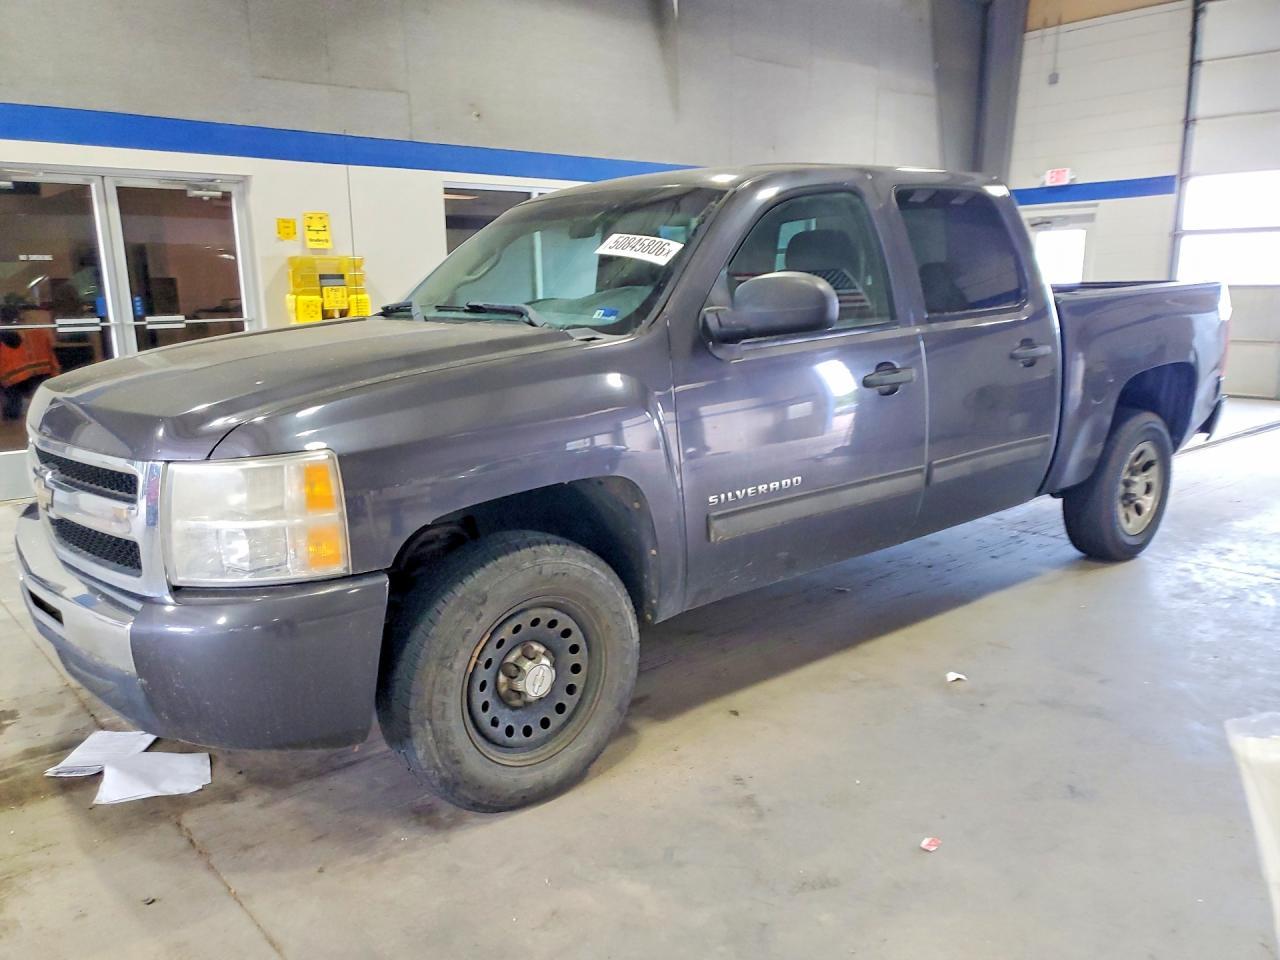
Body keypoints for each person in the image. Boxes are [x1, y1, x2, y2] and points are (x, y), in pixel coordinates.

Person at [0, 305, 62, 421]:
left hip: (13, 377)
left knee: (13, 413)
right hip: (39, 371)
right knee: (41, 409)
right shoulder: (35, 331)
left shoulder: (5, 333)